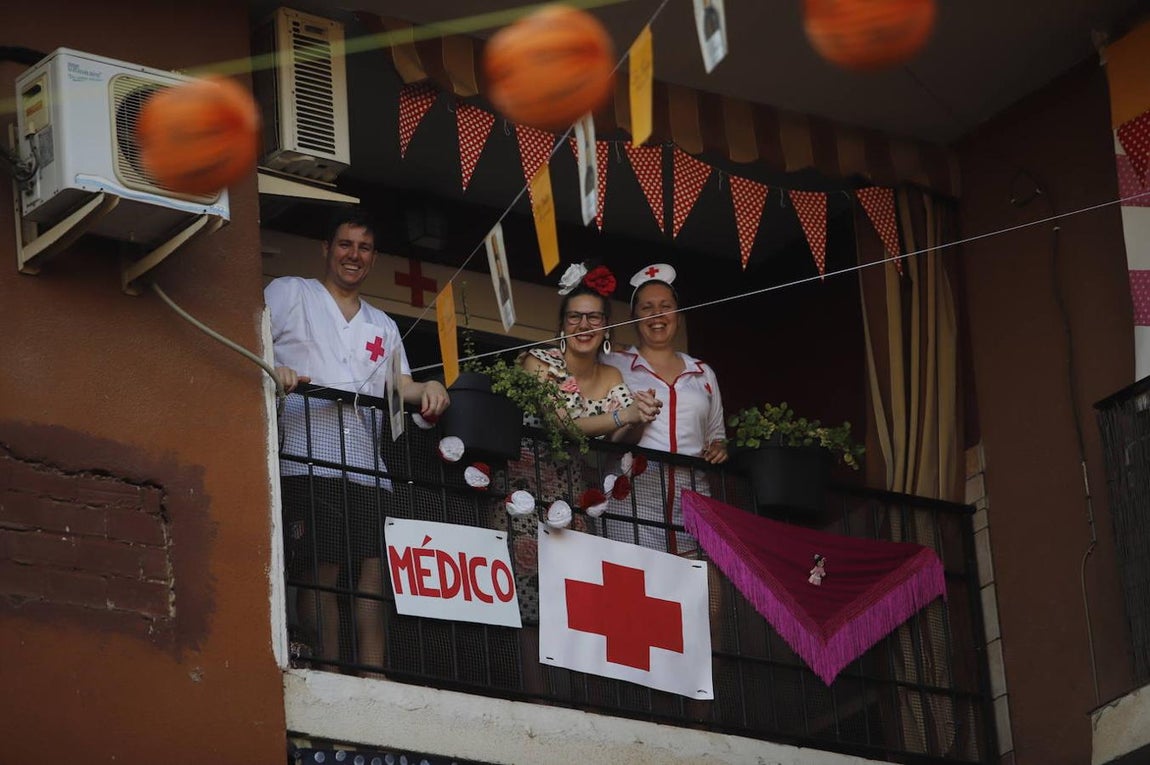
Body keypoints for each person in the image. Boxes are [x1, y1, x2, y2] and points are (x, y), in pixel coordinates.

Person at [267, 207, 450, 673]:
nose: (354, 255)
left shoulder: (383, 325)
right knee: (322, 575)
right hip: (307, 461)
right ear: (326, 249)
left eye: (364, 248)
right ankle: (327, 675)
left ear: (373, 258)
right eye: (346, 245)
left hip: (369, 468)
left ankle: (374, 677)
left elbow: (399, 385)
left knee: (372, 581)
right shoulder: (291, 293)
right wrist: (276, 368)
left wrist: (427, 387)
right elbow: (252, 344)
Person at [602, 263, 727, 555]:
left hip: (692, 495)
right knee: (634, 583)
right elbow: (603, 428)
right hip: (634, 495)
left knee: (701, 580)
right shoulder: (614, 365)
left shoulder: (703, 373)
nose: (657, 315)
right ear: (633, 317)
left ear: (678, 316)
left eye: (665, 306)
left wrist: (720, 448)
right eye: (647, 307)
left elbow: (715, 435)